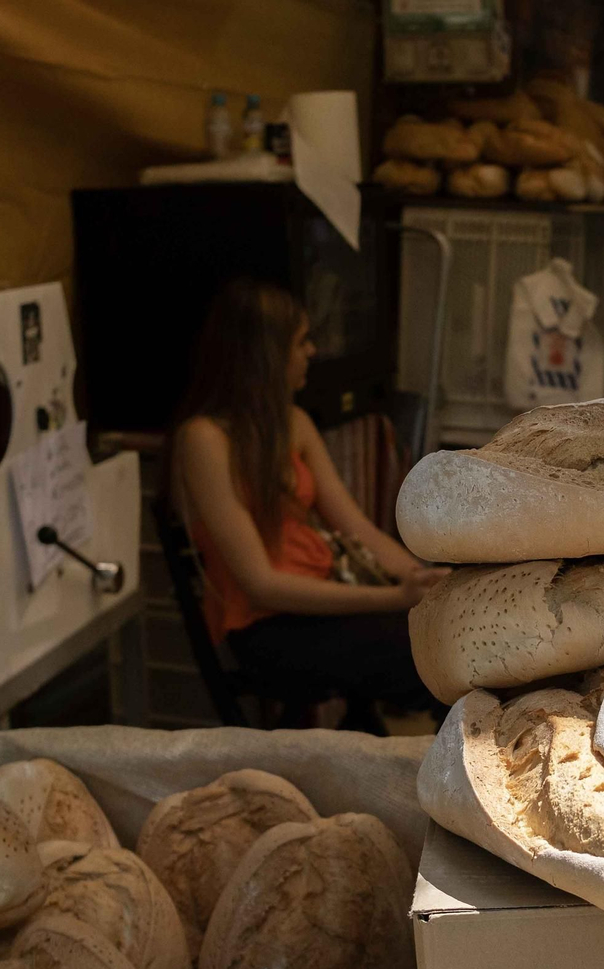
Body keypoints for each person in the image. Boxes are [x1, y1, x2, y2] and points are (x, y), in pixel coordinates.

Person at [169, 279, 449, 726]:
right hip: (268, 626)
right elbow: (261, 585)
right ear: (265, 354)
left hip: (325, 598)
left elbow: (358, 528)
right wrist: (396, 597)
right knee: (436, 656)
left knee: (451, 634)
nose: (312, 352)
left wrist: (424, 580)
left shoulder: (292, 422)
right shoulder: (204, 439)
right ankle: (453, 762)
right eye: (300, 342)